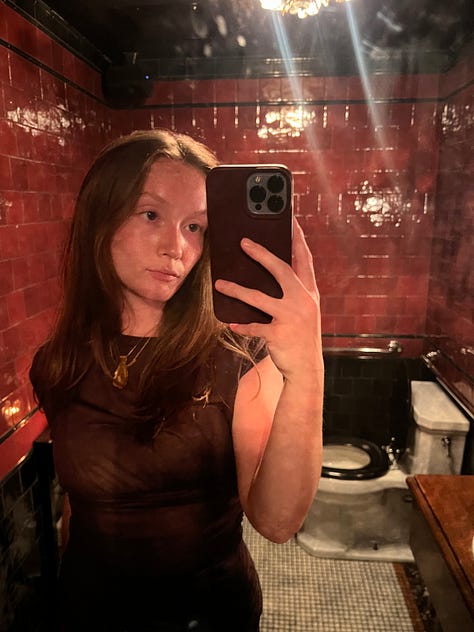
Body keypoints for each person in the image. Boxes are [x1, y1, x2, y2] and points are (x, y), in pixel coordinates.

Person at [30, 129, 324, 632]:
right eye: (151, 215)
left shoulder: (238, 356)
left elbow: (277, 522)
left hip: (208, 616)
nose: (177, 247)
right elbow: (79, 505)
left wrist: (306, 371)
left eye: (195, 226)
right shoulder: (58, 363)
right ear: (100, 217)